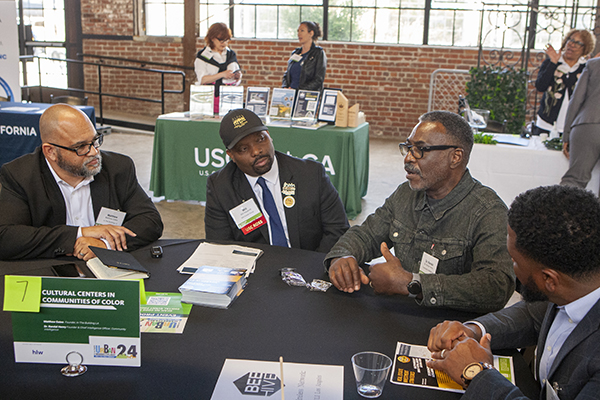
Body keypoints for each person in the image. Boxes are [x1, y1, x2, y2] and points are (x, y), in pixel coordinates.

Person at [324, 110, 515, 312]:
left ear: (455, 157)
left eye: (421, 150)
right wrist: (342, 257)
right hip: (403, 315)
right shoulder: (405, 194)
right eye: (408, 147)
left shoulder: (488, 212)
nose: (408, 158)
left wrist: (412, 283)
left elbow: (496, 287)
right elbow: (367, 235)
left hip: (454, 325)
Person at [427, 185, 600, 400]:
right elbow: (531, 314)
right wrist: (473, 330)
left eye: (515, 260)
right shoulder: (575, 285)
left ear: (549, 279)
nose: (510, 264)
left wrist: (475, 373)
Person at [0, 104, 163, 261]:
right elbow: (6, 237)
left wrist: (103, 244)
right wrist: (80, 235)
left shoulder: (117, 168)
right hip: (51, 268)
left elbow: (150, 220)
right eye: (81, 146)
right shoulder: (20, 175)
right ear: (51, 152)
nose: (94, 152)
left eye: (95, 140)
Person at [205, 108, 349, 253]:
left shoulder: (311, 174)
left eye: (260, 139)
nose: (256, 151)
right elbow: (221, 247)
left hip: (310, 261)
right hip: (257, 265)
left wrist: (314, 265)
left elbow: (338, 229)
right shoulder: (221, 187)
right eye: (243, 148)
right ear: (231, 155)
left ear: (268, 135)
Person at [532, 29, 595, 137]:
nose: (572, 45)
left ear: (585, 49)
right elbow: (540, 86)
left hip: (572, 124)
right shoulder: (551, 62)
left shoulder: (585, 68)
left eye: (578, 43)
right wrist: (553, 63)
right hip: (546, 122)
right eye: (571, 40)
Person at [560, 56, 600, 188]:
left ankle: (560, 202)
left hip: (587, 125)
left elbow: (576, 100)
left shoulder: (593, 64)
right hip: (589, 125)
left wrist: (566, 135)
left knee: (574, 181)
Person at [194, 22, 242, 114]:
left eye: (227, 40)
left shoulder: (231, 55)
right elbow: (202, 79)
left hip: (230, 97)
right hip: (209, 98)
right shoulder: (202, 56)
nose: (224, 43)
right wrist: (222, 74)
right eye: (221, 40)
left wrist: (237, 77)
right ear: (212, 38)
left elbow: (236, 73)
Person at [282, 21, 327, 91]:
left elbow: (318, 79)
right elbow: (286, 74)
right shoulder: (295, 53)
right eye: (298, 31)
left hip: (306, 94)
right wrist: (285, 87)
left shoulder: (318, 53)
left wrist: (299, 90)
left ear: (311, 33)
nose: (299, 34)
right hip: (290, 94)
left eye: (302, 31)